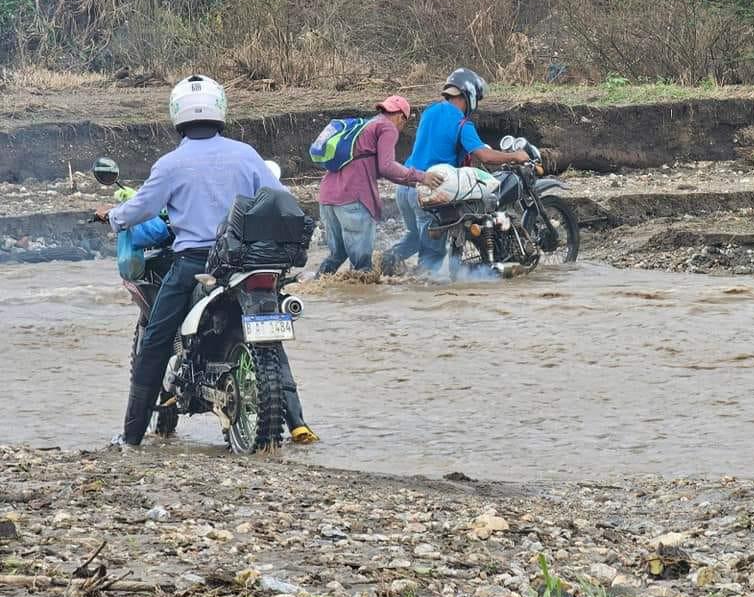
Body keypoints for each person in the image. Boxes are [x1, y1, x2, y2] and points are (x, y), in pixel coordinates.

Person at [96, 74, 318, 446]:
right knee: (270, 336)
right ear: (220, 109)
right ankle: (298, 424)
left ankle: (132, 438)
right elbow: (281, 199)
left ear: (177, 114)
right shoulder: (246, 155)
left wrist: (112, 216)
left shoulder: (171, 163)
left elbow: (141, 207)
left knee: (154, 341)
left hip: (193, 264)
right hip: (246, 263)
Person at [384, 69, 530, 272]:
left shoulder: (430, 112)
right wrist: (515, 156)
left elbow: (440, 144)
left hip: (405, 187)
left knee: (415, 237)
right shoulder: (463, 123)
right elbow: (484, 156)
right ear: (469, 95)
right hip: (428, 193)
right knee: (433, 255)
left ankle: (380, 265)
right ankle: (423, 293)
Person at [314, 95, 443, 275]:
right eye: (403, 123)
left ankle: (318, 287)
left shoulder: (364, 126)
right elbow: (387, 166)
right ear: (401, 117)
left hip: (327, 197)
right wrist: (422, 177)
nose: (401, 127)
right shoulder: (387, 127)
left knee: (337, 256)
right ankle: (362, 300)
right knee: (362, 267)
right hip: (353, 199)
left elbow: (382, 171)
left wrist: (415, 185)